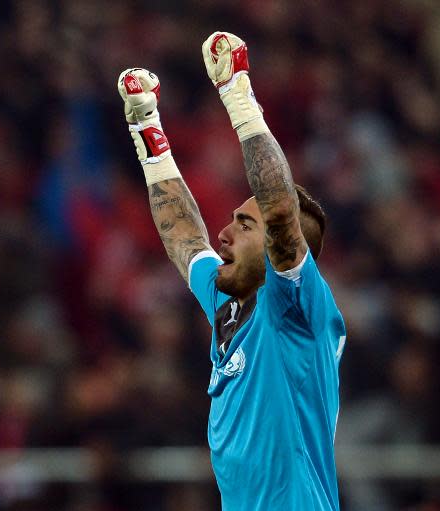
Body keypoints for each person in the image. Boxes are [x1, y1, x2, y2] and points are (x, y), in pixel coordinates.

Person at [117, 32, 346, 510]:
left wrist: (237, 95)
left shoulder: (295, 308)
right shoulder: (230, 305)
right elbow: (185, 239)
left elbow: (280, 211)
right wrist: (148, 133)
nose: (223, 233)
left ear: (280, 252)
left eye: (244, 224)